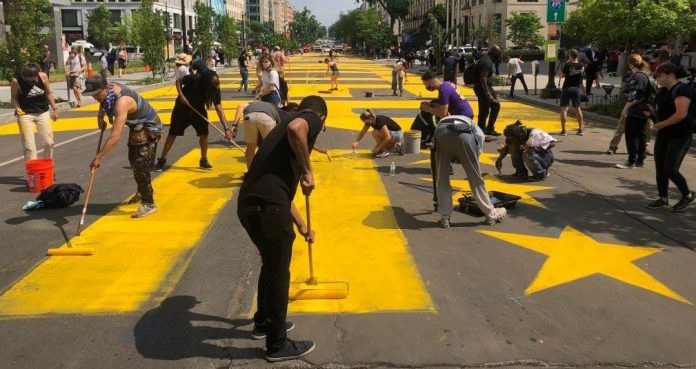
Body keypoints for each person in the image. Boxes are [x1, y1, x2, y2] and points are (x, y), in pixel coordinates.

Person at [237, 95, 328, 362]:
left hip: (252, 204)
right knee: (278, 273)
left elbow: (279, 195)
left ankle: (264, 322)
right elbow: (296, 129)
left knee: (271, 264)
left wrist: (301, 225)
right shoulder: (310, 117)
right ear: (322, 118)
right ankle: (277, 345)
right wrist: (308, 170)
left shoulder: (282, 126)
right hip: (267, 207)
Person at [84, 76, 164, 218]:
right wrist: (100, 117)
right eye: (92, 95)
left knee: (140, 166)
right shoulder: (108, 92)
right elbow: (103, 101)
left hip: (148, 127)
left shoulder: (122, 102)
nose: (95, 98)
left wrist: (98, 157)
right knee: (133, 161)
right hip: (135, 125)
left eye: (96, 94)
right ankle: (142, 191)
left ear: (105, 88)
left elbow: (115, 138)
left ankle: (149, 203)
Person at [433, 115, 507, 228]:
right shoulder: (471, 123)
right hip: (465, 137)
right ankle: (490, 214)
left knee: (442, 179)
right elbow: (480, 138)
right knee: (475, 178)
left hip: (442, 136)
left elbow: (435, 145)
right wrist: (473, 158)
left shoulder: (440, 123)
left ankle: (445, 217)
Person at [155, 68, 229, 171]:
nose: (216, 86)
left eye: (217, 83)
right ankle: (162, 160)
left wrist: (226, 129)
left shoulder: (215, 90)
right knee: (173, 133)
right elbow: (178, 82)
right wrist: (181, 96)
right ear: (207, 82)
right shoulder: (194, 79)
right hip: (182, 108)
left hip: (198, 109)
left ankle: (203, 160)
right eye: (214, 84)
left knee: (204, 133)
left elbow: (219, 108)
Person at [645, 62, 695, 212]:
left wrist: (661, 124)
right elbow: (660, 112)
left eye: (659, 76)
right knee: (660, 168)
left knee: (671, 169)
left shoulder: (683, 90)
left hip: (680, 135)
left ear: (670, 75)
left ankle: (688, 195)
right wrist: (651, 112)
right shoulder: (663, 91)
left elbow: (681, 114)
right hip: (664, 134)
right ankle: (663, 199)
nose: (657, 79)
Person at [11, 63, 59, 162]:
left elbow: (48, 93)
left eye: (32, 79)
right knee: (29, 146)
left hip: (42, 112)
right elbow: (14, 99)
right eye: (27, 79)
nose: (30, 81)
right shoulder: (16, 81)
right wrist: (17, 108)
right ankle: (33, 172)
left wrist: (55, 109)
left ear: (37, 74)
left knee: (48, 142)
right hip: (25, 114)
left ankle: (47, 167)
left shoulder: (43, 76)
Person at [615, 54, 654, 169]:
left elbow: (633, 96)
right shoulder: (646, 74)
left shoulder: (636, 76)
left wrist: (625, 108)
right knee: (642, 134)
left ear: (630, 64)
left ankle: (631, 161)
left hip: (636, 110)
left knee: (631, 135)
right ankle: (640, 159)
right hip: (644, 109)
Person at [227, 100, 283, 168]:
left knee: (250, 146)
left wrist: (235, 125)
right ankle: (270, 171)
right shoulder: (272, 107)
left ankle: (250, 173)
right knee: (270, 146)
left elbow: (240, 106)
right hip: (266, 118)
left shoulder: (252, 103)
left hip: (249, 118)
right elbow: (278, 127)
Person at [473, 46, 501, 136]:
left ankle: (489, 129)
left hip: (485, 87)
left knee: (495, 106)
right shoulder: (486, 62)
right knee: (484, 111)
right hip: (483, 88)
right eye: (498, 53)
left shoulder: (486, 59)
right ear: (494, 53)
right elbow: (483, 78)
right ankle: (481, 131)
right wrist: (488, 93)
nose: (499, 55)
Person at [558, 49, 585, 136]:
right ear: (577, 56)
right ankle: (580, 129)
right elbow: (581, 80)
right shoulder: (581, 66)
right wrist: (583, 91)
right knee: (577, 109)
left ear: (570, 55)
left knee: (564, 109)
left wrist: (567, 63)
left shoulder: (567, 64)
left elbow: (561, 76)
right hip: (576, 89)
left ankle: (564, 131)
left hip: (567, 88)